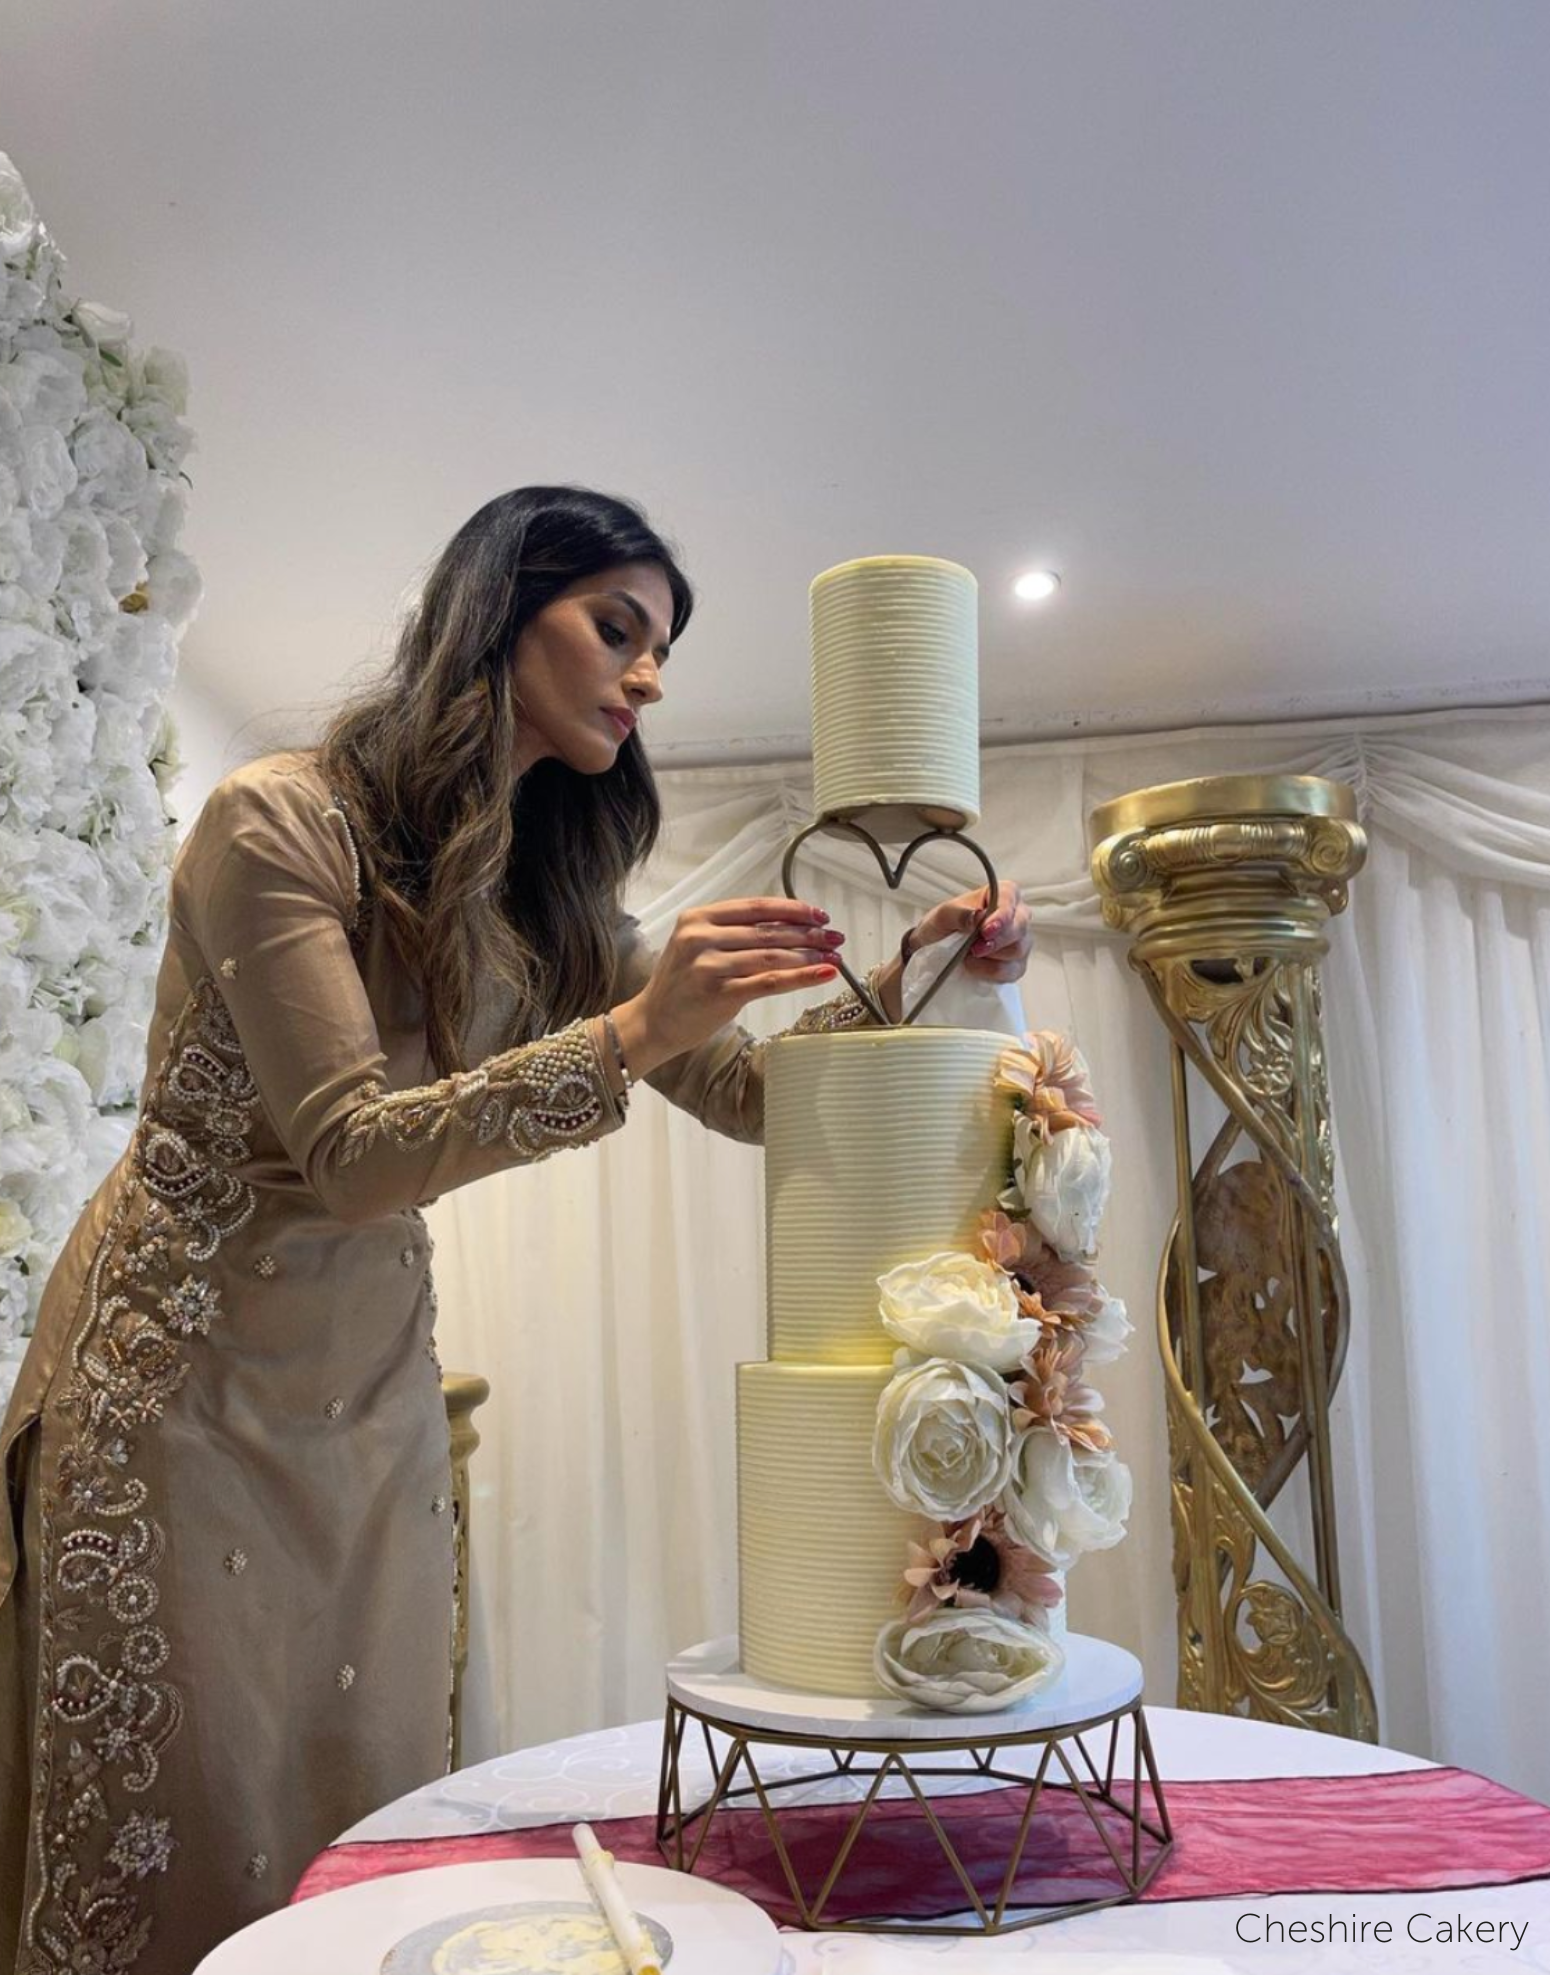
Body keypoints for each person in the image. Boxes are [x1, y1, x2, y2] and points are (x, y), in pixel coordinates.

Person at [0, 485, 1033, 1973]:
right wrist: (628, 1027)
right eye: (616, 626)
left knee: (355, 1791)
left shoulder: (542, 892)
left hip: (367, 1402)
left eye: (658, 645)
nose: (649, 675)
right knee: (185, 1797)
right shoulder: (275, 818)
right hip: (178, 1390)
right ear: (496, 611)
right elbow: (351, 1151)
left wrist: (915, 973)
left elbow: (746, 1095)